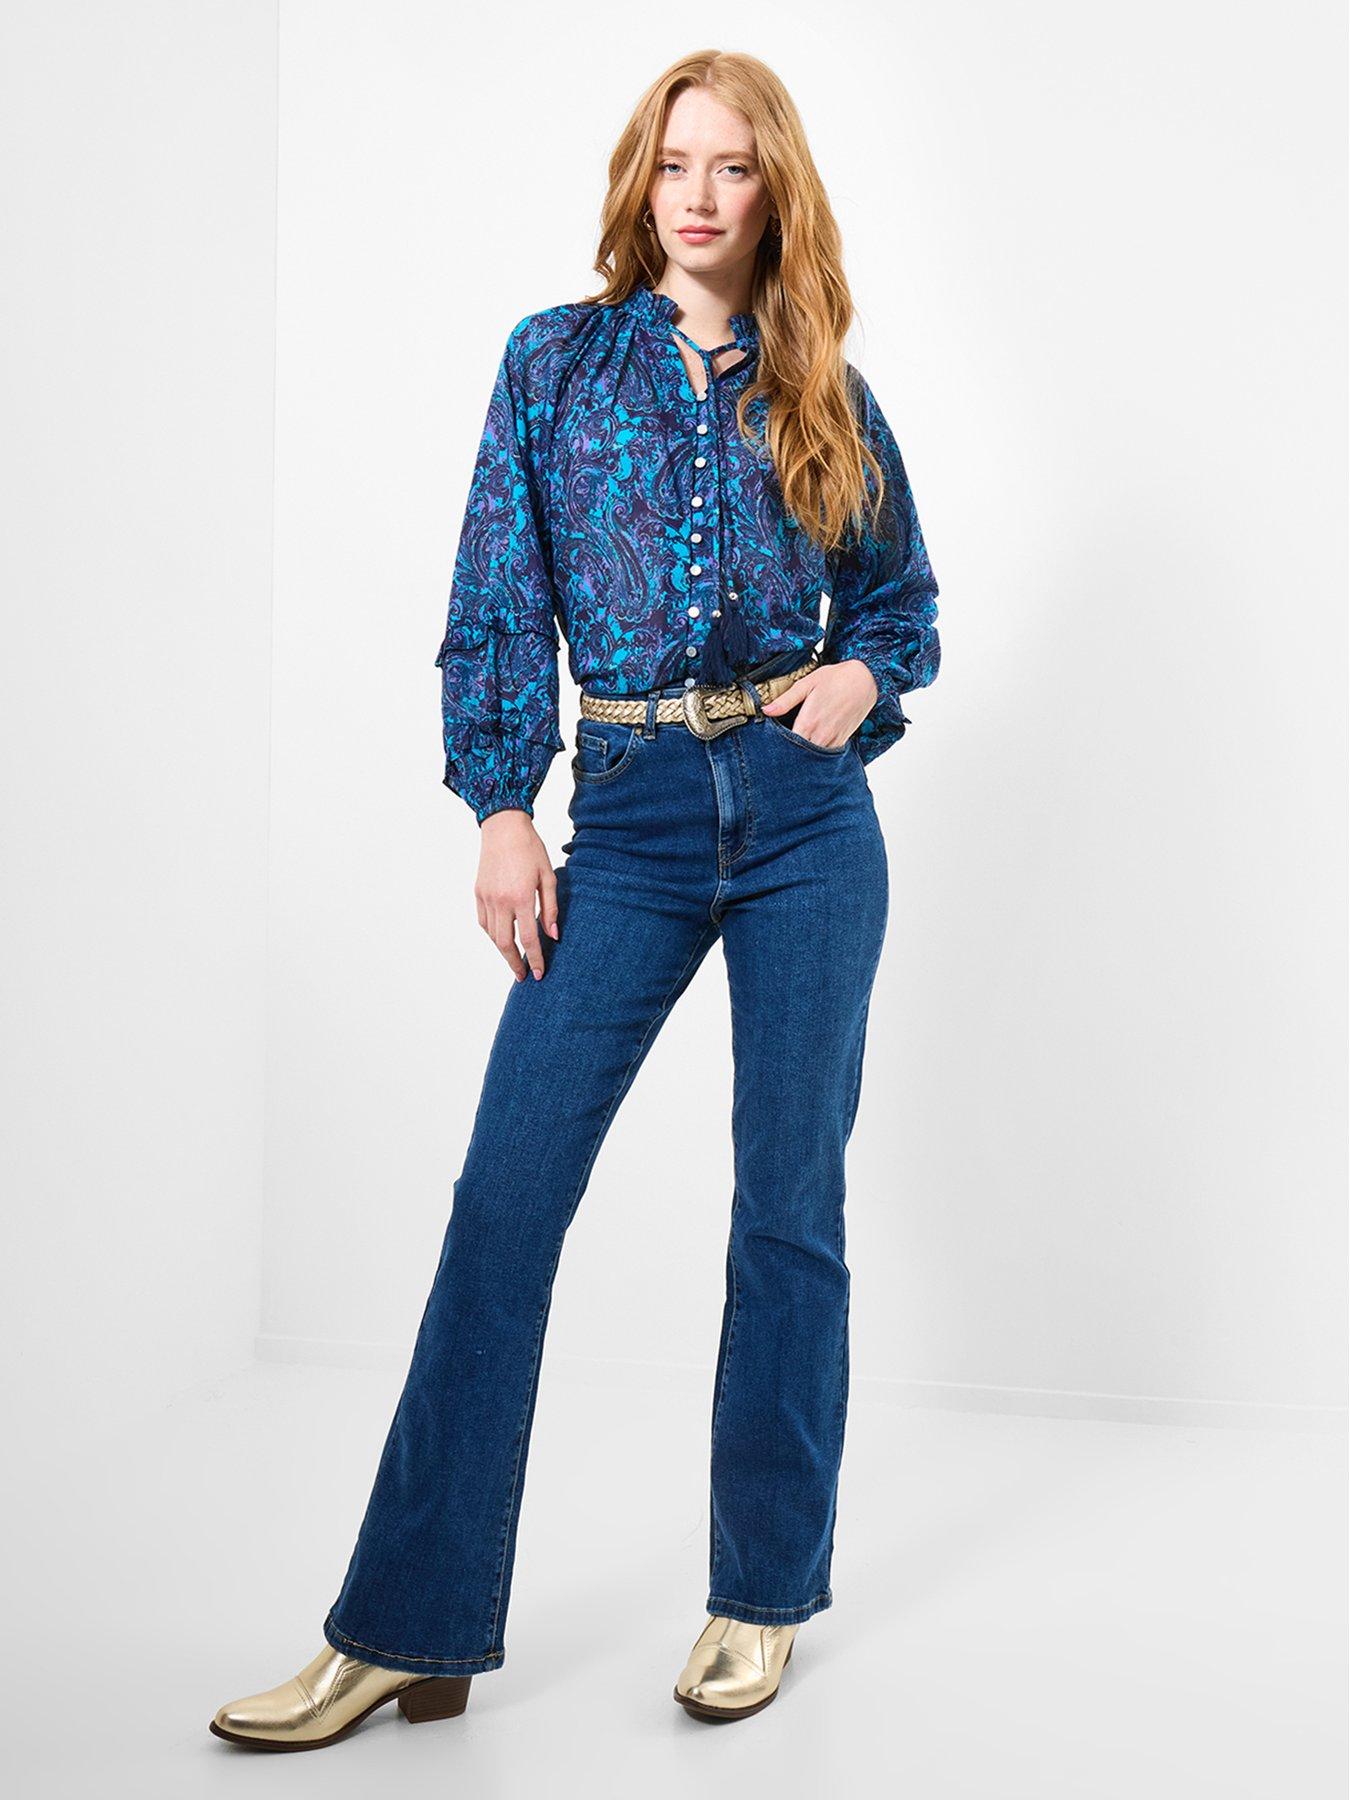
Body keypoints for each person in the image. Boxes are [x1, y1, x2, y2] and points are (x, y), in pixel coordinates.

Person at [210, 46, 940, 1752]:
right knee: (505, 1201)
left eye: (733, 166)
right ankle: (403, 1627)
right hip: (621, 816)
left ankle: (761, 1595)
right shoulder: (554, 361)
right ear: (640, 179)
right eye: (675, 162)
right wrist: (499, 811)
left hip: (803, 820)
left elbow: (899, 599)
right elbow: (496, 594)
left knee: (786, 1210)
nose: (699, 193)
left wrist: (859, 678)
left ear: (774, 190)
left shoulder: (823, 384)